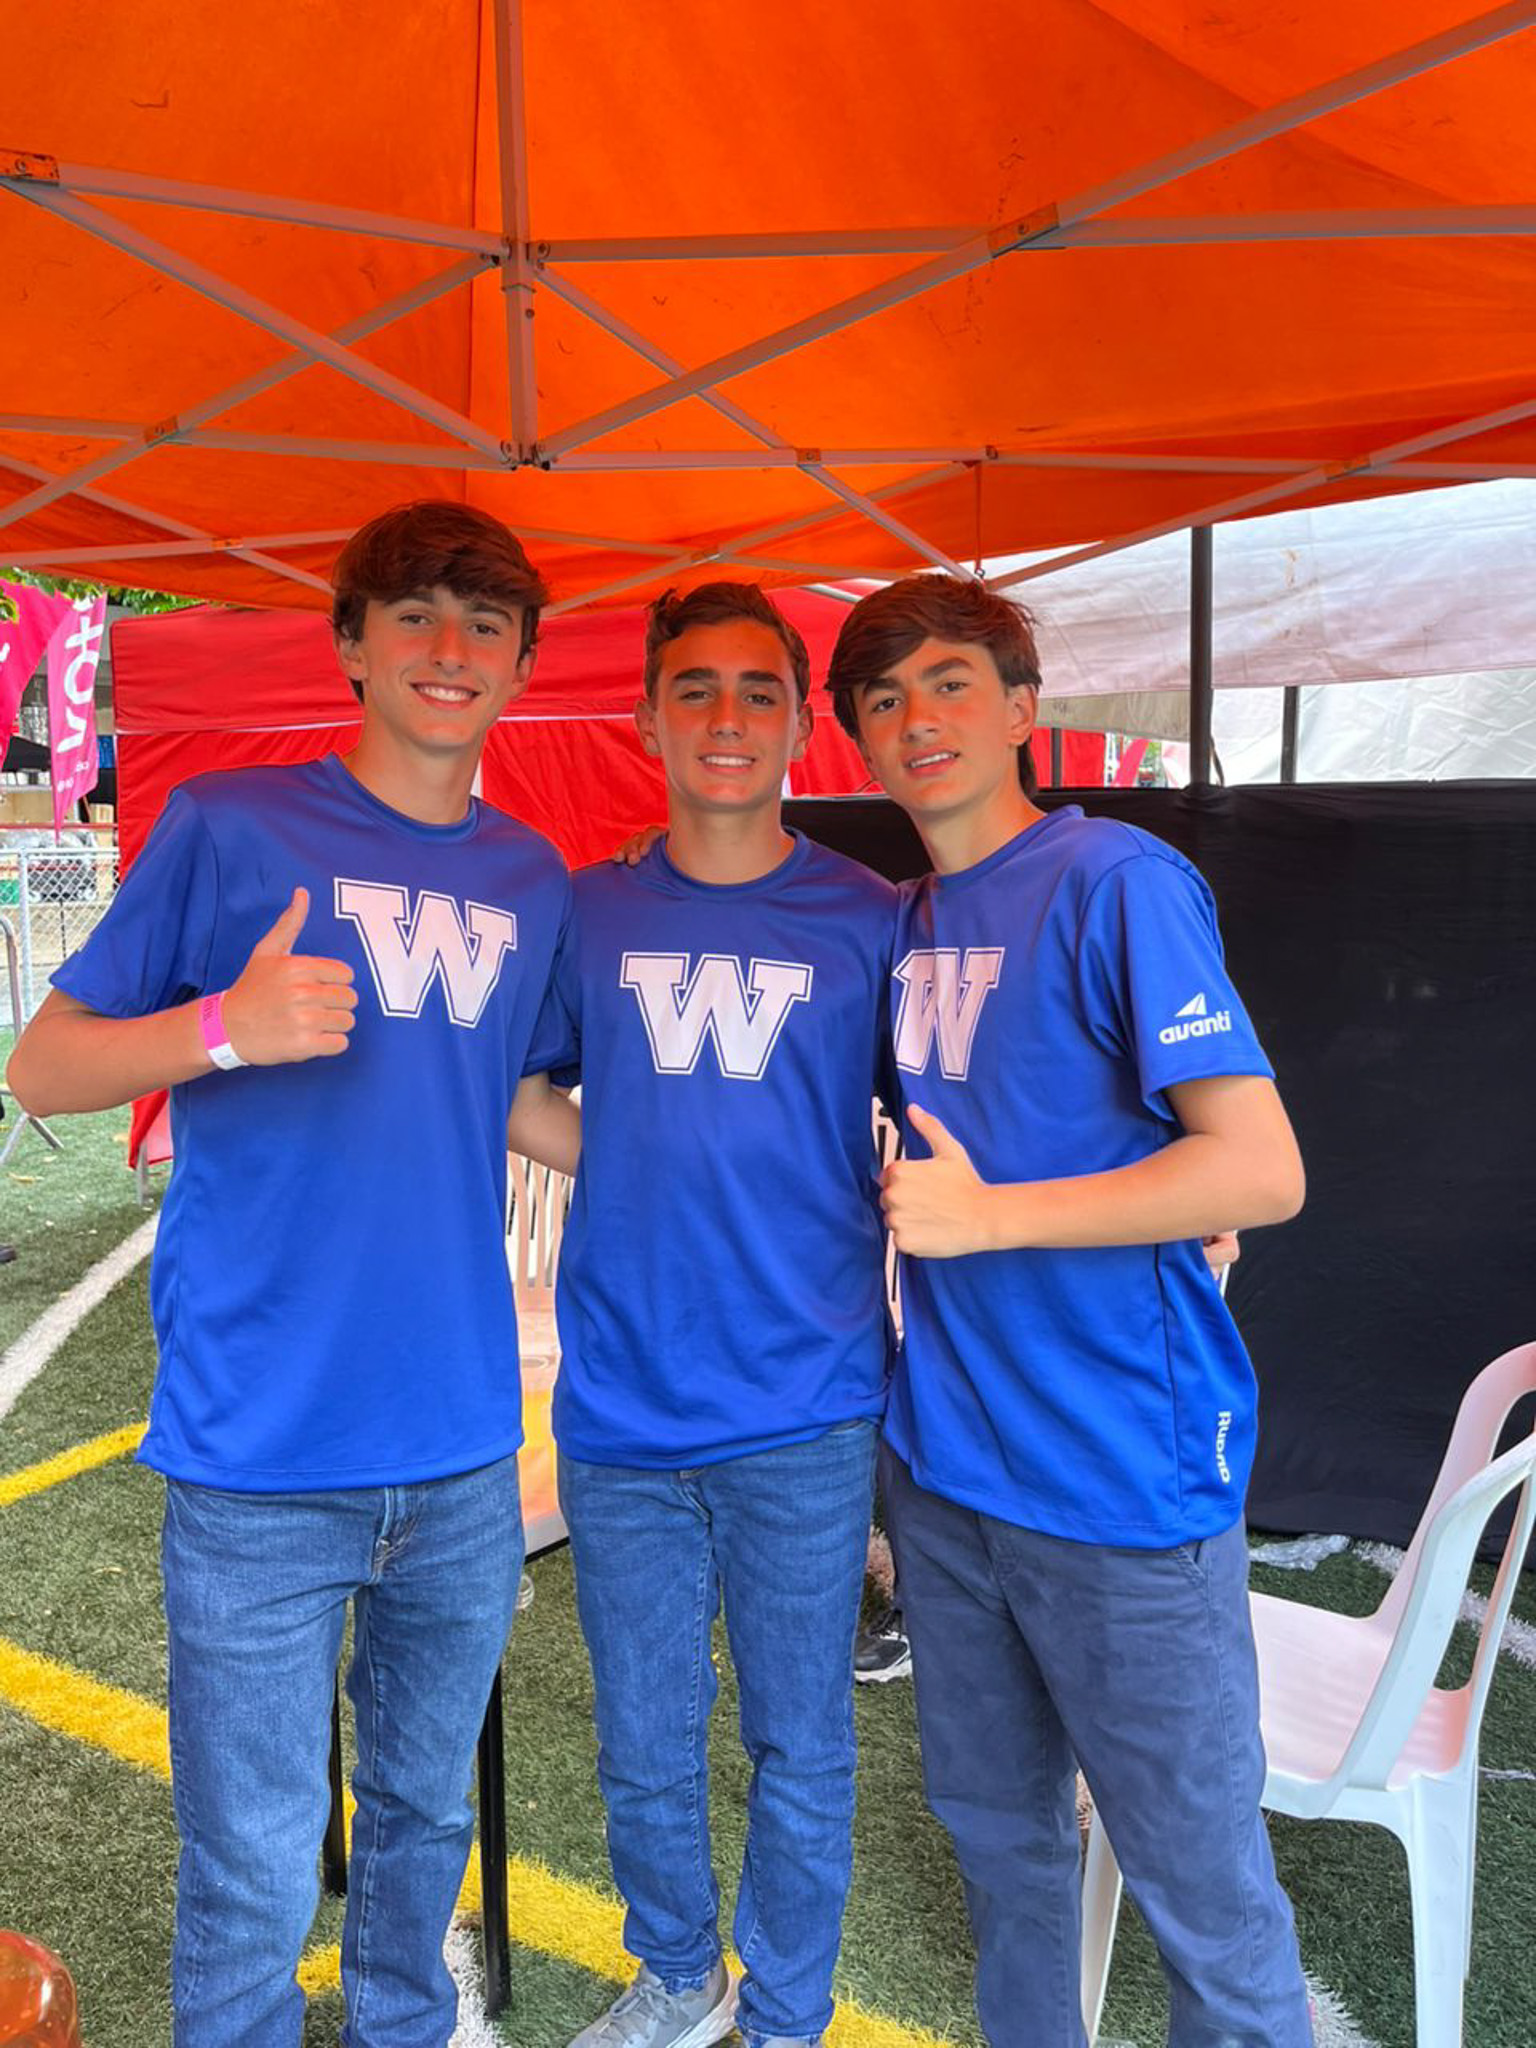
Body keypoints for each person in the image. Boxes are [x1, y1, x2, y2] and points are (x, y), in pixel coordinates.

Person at [6, 501, 571, 2048]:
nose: (450, 649)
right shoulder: (230, 828)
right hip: (260, 1454)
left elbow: (524, 1097)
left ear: (522, 663)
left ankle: (403, 2026)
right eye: (415, 615)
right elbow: (42, 1065)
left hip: (463, 1447)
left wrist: (738, 1167)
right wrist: (221, 1030)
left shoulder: (531, 878)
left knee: (422, 1820)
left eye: (484, 623)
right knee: (252, 1862)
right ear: (351, 645)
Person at [824, 574, 1313, 2048]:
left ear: (1023, 709)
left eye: (953, 683)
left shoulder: (1115, 879)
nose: (921, 719)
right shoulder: (904, 923)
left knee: (1201, 1894)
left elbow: (1260, 1167)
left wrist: (998, 1216)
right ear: (858, 739)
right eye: (886, 698)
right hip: (947, 1476)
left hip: (1119, 1476)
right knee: (1003, 1851)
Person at [536, 584, 895, 2048]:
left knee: (800, 1740)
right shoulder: (590, 908)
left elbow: (975, 1097)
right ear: (647, 718)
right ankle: (679, 1978)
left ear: (805, 724)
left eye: (759, 690)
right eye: (695, 688)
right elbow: (510, 1088)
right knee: (643, 1736)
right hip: (623, 1405)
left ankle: (789, 2015)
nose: (727, 717)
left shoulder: (873, 917)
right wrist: (626, 1148)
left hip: (807, 1403)